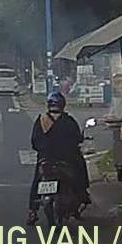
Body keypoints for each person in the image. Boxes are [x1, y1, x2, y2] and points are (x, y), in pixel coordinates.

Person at [27, 92, 90, 224]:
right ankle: (83, 196)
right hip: (67, 158)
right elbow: (77, 138)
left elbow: (34, 141)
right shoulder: (69, 121)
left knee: (37, 180)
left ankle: (33, 211)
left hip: (45, 158)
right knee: (80, 171)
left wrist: (43, 149)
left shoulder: (41, 120)